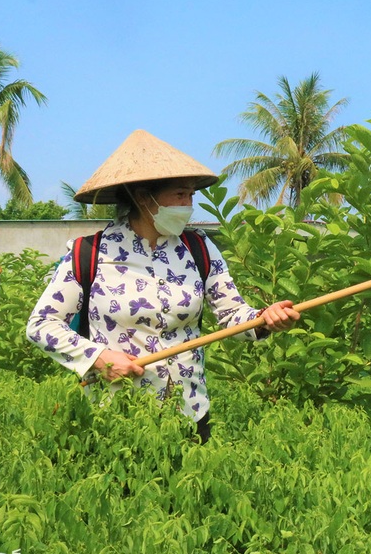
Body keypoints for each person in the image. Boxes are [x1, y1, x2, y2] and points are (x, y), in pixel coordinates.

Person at [27, 129, 298, 442]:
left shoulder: (198, 247)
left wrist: (266, 319)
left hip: (190, 412)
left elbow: (232, 314)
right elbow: (41, 325)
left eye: (191, 196)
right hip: (117, 416)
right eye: (180, 195)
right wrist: (99, 357)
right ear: (144, 197)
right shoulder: (88, 253)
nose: (188, 204)